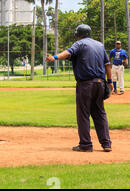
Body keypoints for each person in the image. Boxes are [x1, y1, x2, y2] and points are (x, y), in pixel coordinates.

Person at [46, 24, 113, 153]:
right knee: (100, 114)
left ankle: (86, 145)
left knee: (83, 114)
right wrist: (110, 82)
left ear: (78, 35)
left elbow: (67, 53)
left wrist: (53, 57)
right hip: (100, 83)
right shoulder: (99, 45)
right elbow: (107, 65)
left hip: (86, 85)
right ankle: (106, 144)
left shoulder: (80, 44)